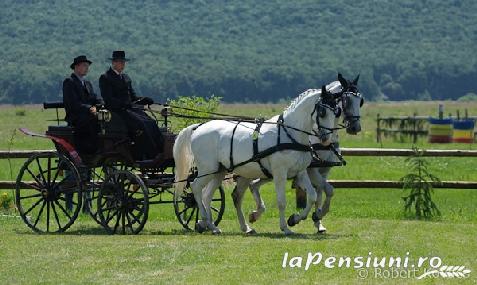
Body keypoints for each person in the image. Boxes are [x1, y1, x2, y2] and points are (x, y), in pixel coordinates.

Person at [99, 50, 163, 159]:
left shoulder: (126, 78)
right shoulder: (106, 78)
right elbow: (109, 99)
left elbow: (133, 97)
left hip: (130, 109)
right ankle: (148, 154)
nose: (123, 64)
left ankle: (159, 149)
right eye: (120, 62)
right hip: (117, 111)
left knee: (151, 122)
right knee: (141, 124)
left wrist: (144, 100)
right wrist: (124, 103)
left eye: (123, 62)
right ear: (113, 63)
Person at [63, 55, 102, 155]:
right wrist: (89, 108)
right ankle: (88, 151)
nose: (87, 68)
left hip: (88, 115)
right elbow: (74, 103)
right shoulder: (69, 82)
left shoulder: (87, 83)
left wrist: (102, 104)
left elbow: (94, 98)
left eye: (87, 66)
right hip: (76, 117)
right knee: (93, 121)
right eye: (84, 65)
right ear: (76, 67)